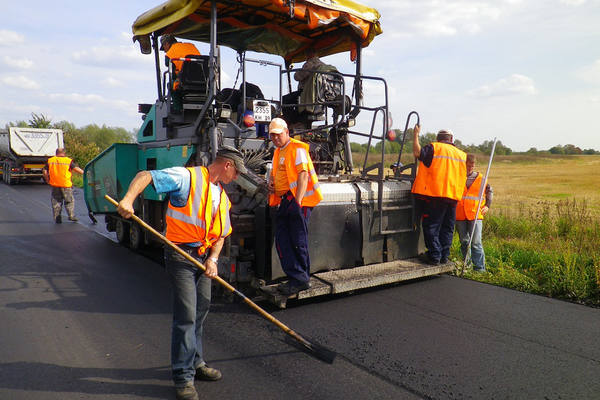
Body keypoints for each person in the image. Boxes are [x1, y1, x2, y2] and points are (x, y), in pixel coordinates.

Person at [116, 146, 247, 400]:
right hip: (180, 255)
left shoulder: (221, 195)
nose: (237, 177)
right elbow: (146, 176)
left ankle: (196, 363)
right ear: (228, 165)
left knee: (201, 310)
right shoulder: (187, 178)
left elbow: (221, 233)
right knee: (186, 316)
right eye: (237, 172)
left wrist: (214, 259)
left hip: (202, 258)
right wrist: (128, 199)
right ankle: (183, 377)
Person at [267, 117, 323, 295]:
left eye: (278, 135)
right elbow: (282, 175)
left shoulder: (297, 148)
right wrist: (273, 186)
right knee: (283, 241)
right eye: (272, 135)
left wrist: (297, 202)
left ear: (286, 132)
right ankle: (296, 277)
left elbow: (303, 175)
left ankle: (301, 279)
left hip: (297, 201)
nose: (275, 138)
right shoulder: (278, 152)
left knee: (297, 240)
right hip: (285, 200)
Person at [412, 126, 467, 265]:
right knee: (447, 228)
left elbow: (417, 152)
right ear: (451, 139)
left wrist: (416, 135)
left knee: (431, 226)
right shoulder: (461, 154)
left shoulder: (434, 148)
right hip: (453, 197)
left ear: (438, 138)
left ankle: (434, 255)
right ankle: (444, 256)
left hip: (436, 195)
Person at [455, 154, 493, 271]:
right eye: (468, 165)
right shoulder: (457, 177)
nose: (470, 167)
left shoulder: (481, 179)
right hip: (460, 214)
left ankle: (480, 269)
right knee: (464, 242)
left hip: (475, 214)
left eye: (472, 165)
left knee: (476, 243)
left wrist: (487, 205)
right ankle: (467, 265)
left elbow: (489, 192)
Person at [43, 148, 84, 223]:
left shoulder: (51, 160)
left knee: (56, 201)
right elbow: (75, 168)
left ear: (56, 153)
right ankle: (71, 216)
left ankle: (57, 217)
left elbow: (45, 171)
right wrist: (85, 173)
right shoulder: (68, 160)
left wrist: (47, 180)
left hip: (55, 184)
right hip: (66, 184)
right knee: (69, 201)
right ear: (64, 153)